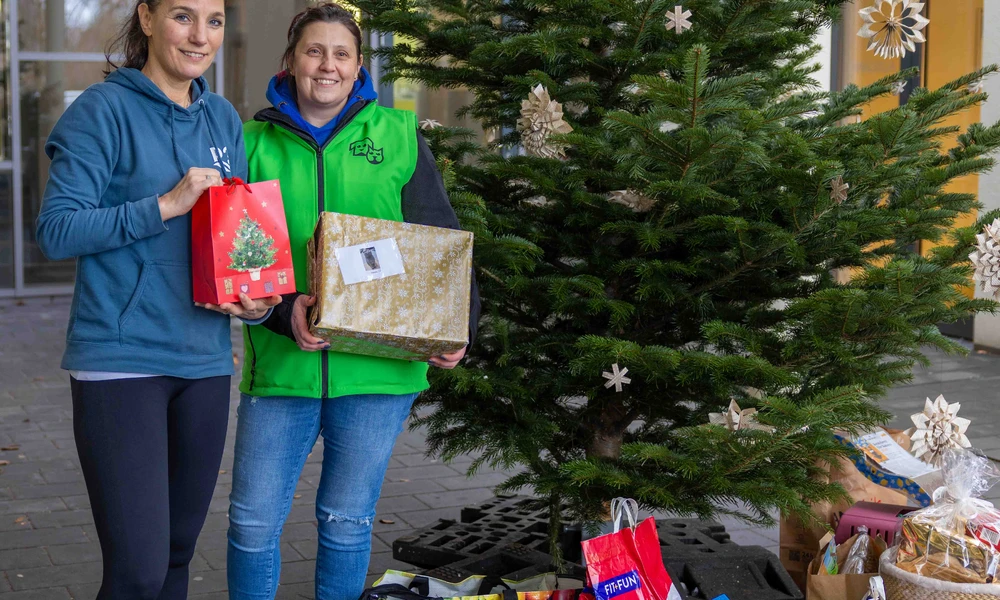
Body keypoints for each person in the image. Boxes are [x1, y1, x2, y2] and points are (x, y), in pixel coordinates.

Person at [226, 4, 481, 599]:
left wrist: (459, 324)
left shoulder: (396, 135)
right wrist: (288, 312)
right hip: (282, 370)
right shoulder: (249, 143)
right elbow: (239, 258)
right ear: (289, 61)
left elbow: (440, 237)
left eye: (341, 54)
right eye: (314, 51)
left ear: (359, 65)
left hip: (377, 373)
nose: (327, 66)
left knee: (345, 525)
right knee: (252, 525)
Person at [34, 1, 279, 597]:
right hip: (121, 358)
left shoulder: (222, 119)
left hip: (202, 360)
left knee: (174, 557)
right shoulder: (102, 111)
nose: (200, 37)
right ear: (146, 19)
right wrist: (165, 205)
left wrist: (255, 300)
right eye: (183, 17)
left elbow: (233, 236)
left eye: (214, 21)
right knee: (138, 572)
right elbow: (57, 229)